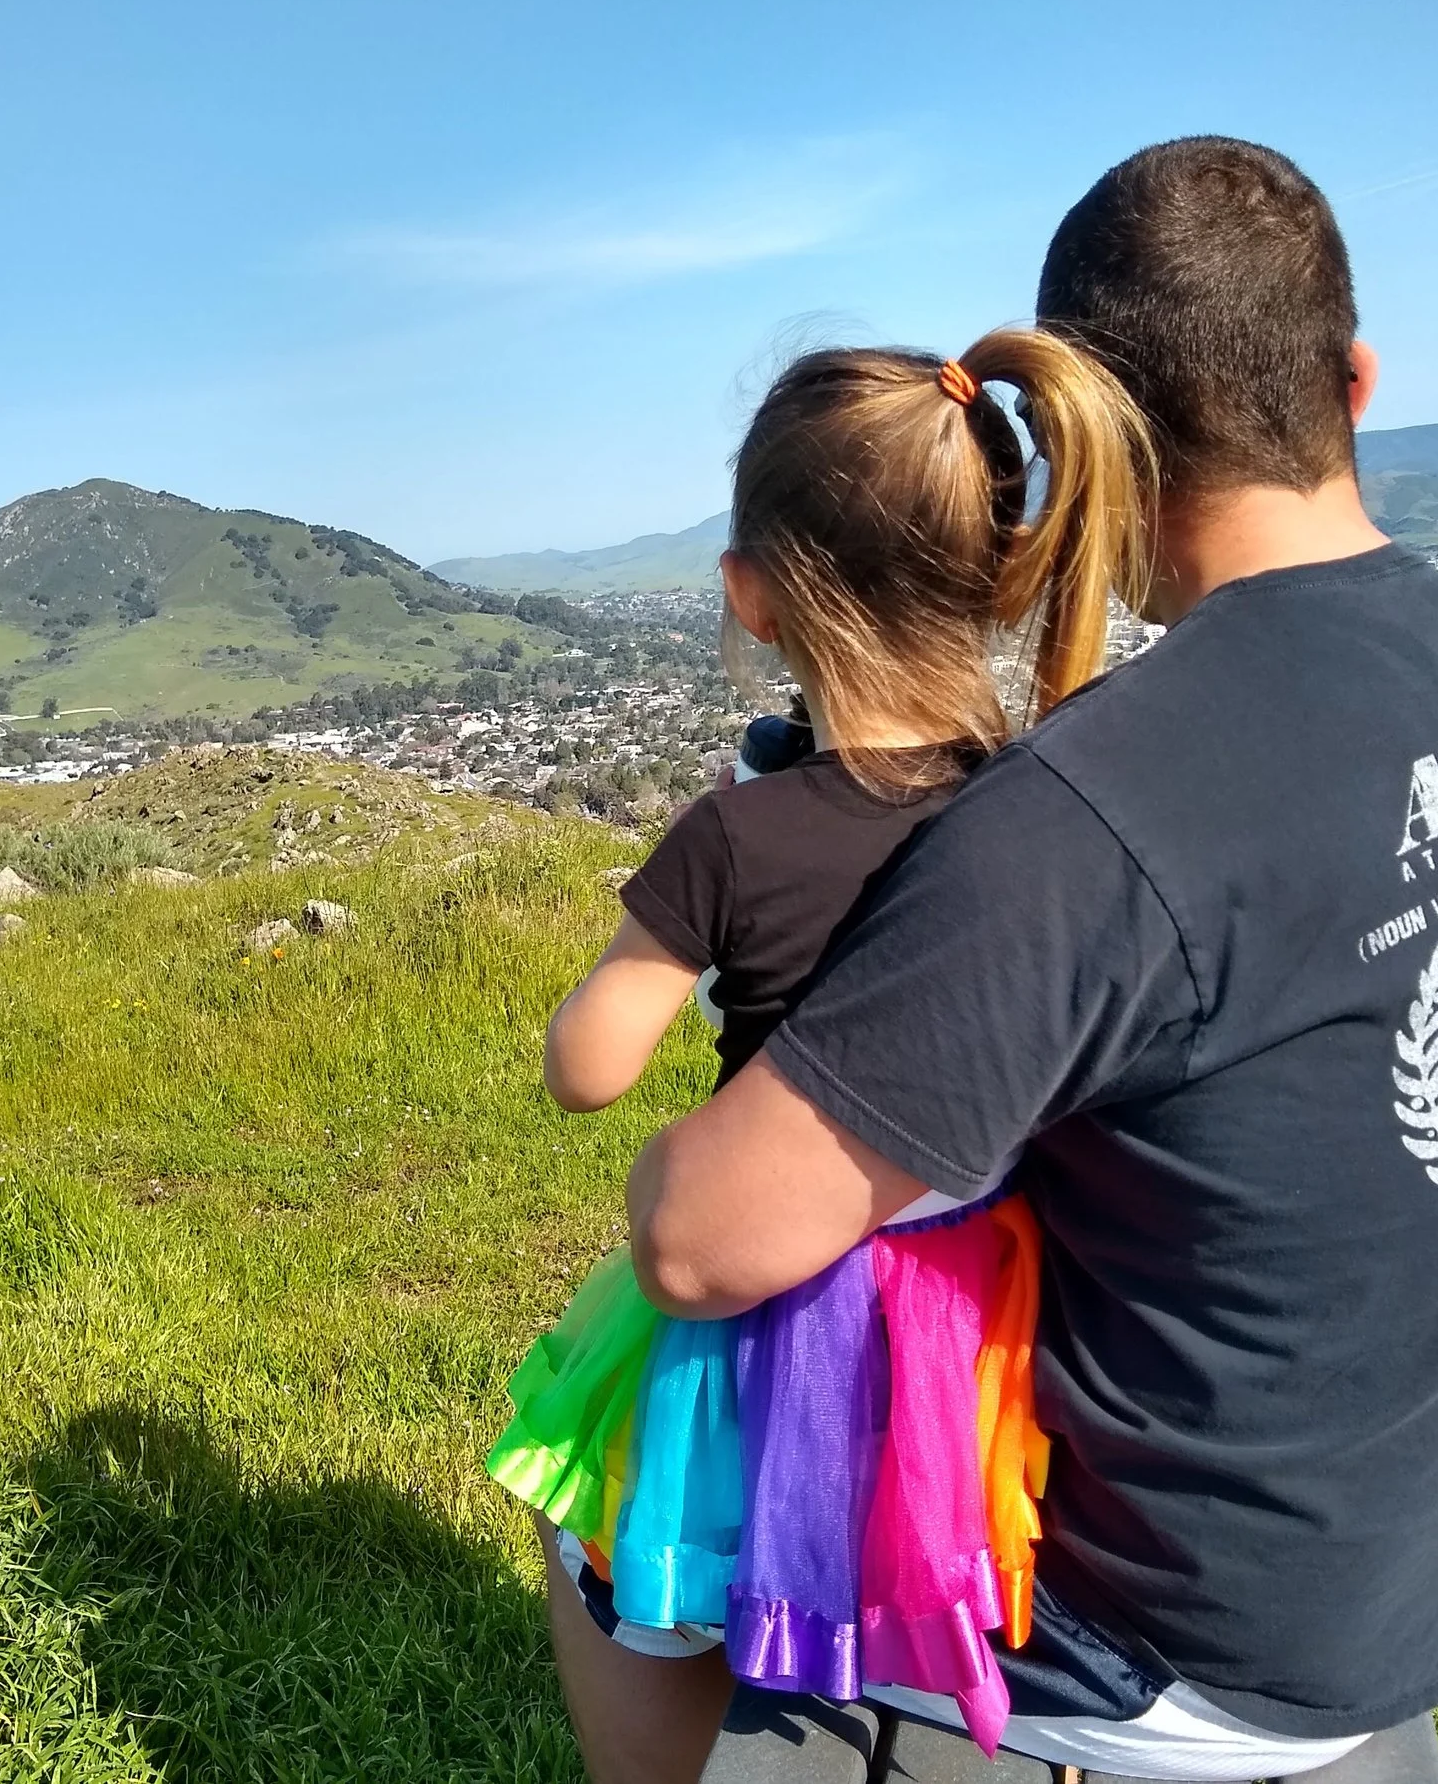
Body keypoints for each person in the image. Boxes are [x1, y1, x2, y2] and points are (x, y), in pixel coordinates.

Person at [608, 138, 1438, 1782]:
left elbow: (702, 1242)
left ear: (1076, 433)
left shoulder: (1106, 803)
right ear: (1356, 384)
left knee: (606, 1513)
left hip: (1195, 1642)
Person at [492, 324, 1158, 1784]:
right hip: (969, 1315)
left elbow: (588, 1066)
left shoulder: (738, 831)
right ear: (994, 566)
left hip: (759, 1308)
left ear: (754, 596)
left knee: (632, 1540)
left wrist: (688, 898)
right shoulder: (1040, 812)